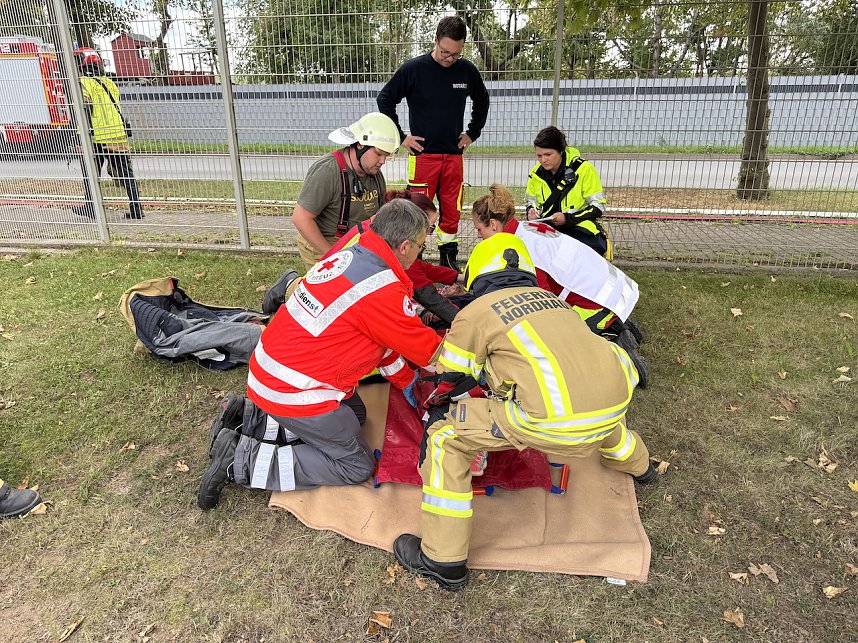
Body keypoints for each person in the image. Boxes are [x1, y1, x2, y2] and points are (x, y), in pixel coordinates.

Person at [392, 233, 657, 591]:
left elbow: (450, 377)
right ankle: (643, 469)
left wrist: (440, 406)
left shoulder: (476, 312)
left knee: (443, 439)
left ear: (477, 275)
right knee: (590, 412)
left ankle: (442, 560)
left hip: (550, 421)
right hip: (612, 403)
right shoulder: (554, 302)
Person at [198, 199, 443, 510]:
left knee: (355, 416)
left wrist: (406, 381)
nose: (421, 253)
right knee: (355, 465)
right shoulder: (383, 290)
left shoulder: (354, 254)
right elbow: (432, 352)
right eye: (421, 246)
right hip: (292, 389)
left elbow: (381, 344)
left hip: (272, 371)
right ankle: (241, 459)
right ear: (405, 246)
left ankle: (250, 418)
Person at [471, 184, 649, 387]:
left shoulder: (518, 247)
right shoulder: (527, 228)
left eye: (479, 229)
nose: (478, 235)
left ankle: (618, 352)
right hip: (608, 294)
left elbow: (542, 298)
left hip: (589, 305)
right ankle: (614, 325)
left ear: (493, 224)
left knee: (550, 339)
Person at [377, 15, 490, 272]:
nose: (450, 58)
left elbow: (482, 100)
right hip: (423, 156)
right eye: (445, 52)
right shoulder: (414, 69)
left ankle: (448, 260)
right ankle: (414, 260)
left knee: (452, 209)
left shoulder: (467, 71)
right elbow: (385, 98)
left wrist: (472, 133)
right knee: (418, 209)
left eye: (456, 54)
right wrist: (401, 136)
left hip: (453, 156)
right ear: (436, 40)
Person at [292, 112, 400, 270]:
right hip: (327, 242)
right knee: (333, 292)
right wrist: (333, 256)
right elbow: (301, 218)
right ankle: (288, 287)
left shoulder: (375, 174)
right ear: (360, 145)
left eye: (386, 156)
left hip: (358, 243)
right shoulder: (328, 170)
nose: (382, 161)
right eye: (378, 154)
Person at [72, 47, 143, 220]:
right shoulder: (109, 82)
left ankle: (91, 207)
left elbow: (86, 110)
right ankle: (136, 209)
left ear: (81, 63)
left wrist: (81, 136)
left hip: (97, 137)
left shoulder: (83, 82)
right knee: (126, 173)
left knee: (91, 173)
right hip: (117, 134)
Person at [525, 126, 609, 257]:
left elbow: (598, 207)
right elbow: (531, 201)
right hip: (548, 229)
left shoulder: (583, 169)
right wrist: (531, 211)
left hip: (579, 227)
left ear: (561, 151)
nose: (543, 160)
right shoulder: (536, 173)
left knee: (581, 250)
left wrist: (567, 218)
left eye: (548, 154)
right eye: (539, 156)